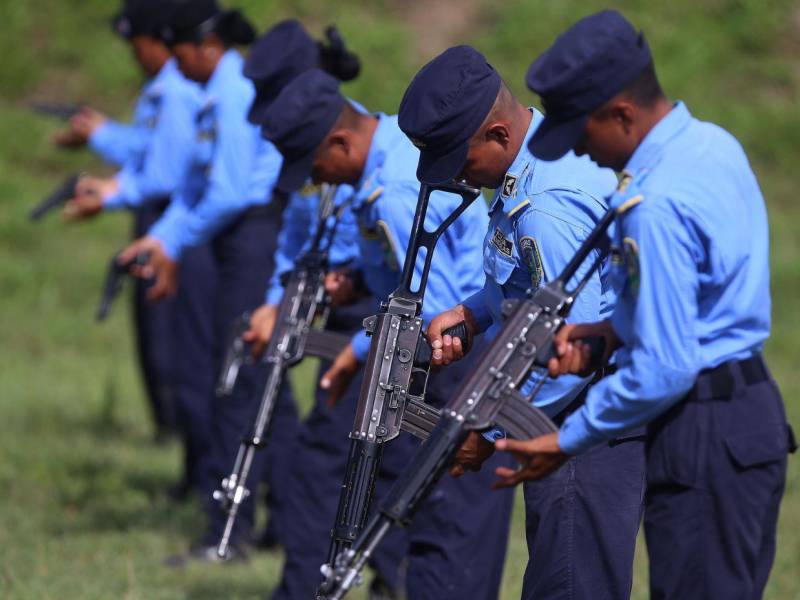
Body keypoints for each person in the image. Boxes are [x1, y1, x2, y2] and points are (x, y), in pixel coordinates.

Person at [495, 10, 796, 600]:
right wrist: (610, 333)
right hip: (750, 412)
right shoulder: (713, 144)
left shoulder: (652, 204)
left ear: (622, 114)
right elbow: (706, 295)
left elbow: (666, 365)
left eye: (580, 135)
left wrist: (564, 439)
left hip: (702, 429)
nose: (579, 153)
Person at [398, 45, 645, 600]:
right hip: (564, 413)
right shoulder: (530, 167)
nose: (457, 174)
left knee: (570, 584)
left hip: (582, 418)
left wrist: (487, 432)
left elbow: (571, 351)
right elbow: (528, 285)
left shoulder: (545, 207)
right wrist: (472, 313)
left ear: (497, 136)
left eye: (459, 159)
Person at [261, 68, 514, 600]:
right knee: (432, 531)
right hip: (455, 346)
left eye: (317, 167)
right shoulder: (394, 153)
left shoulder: (396, 190)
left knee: (449, 537)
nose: (321, 181)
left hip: (460, 357)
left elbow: (436, 307)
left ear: (339, 141)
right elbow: (401, 280)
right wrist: (356, 286)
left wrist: (361, 351)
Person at [118, 0, 298, 563]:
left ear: (206, 46)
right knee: (265, 383)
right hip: (233, 239)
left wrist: (176, 236)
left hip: (253, 236)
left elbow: (229, 191)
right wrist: (162, 240)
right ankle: (289, 519)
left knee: (236, 378)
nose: (173, 63)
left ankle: (231, 529)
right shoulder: (215, 94)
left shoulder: (235, 91)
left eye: (179, 52)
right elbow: (198, 188)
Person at [60, 0, 209, 444]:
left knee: (168, 336)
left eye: (137, 45)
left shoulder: (177, 92)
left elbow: (164, 173)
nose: (135, 55)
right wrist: (101, 137)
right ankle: (175, 432)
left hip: (174, 219)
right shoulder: (161, 91)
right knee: (154, 334)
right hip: (163, 213)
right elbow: (146, 151)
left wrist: (109, 194)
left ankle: (179, 433)